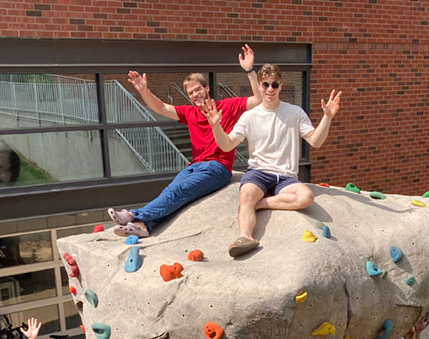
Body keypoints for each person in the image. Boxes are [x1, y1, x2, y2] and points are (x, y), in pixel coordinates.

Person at [107, 45, 262, 238]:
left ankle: (132, 214)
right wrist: (144, 91)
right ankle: (144, 226)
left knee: (178, 189)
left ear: (206, 89)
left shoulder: (227, 106)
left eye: (198, 89)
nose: (195, 95)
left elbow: (258, 99)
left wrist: (249, 70)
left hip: (217, 168)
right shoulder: (190, 113)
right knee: (171, 192)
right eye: (191, 93)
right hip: (193, 167)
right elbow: (161, 107)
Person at [203, 63, 342, 257]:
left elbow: (315, 141)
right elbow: (226, 145)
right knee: (246, 196)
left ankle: (260, 204)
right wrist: (216, 126)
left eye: (274, 85)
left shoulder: (295, 112)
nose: (270, 89)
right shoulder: (249, 116)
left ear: (281, 86)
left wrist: (327, 118)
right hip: (258, 173)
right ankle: (245, 237)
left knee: (306, 197)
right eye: (265, 84)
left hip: (286, 177)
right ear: (259, 86)